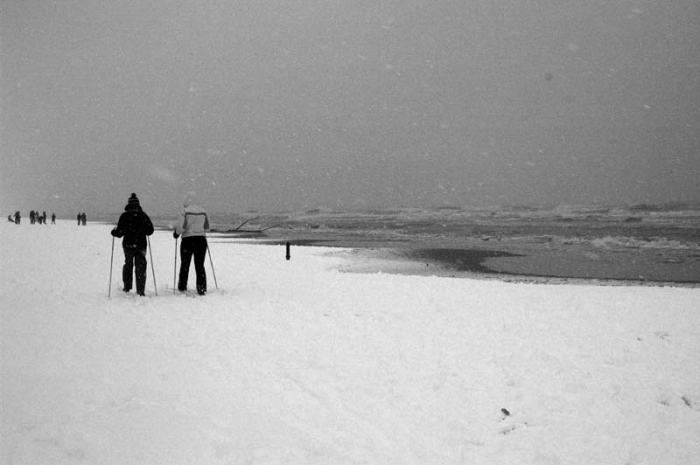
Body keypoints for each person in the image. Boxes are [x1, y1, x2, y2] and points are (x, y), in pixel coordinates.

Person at [111, 193, 154, 296]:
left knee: (128, 265)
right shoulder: (143, 215)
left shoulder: (125, 216)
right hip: (141, 246)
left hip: (128, 246)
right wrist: (143, 230)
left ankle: (127, 287)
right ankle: (140, 290)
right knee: (141, 267)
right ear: (138, 204)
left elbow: (120, 233)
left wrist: (114, 232)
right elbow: (150, 230)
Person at [173, 192, 210, 295]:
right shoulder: (203, 211)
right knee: (200, 265)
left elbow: (182, 227)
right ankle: (201, 288)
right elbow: (207, 228)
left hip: (188, 240)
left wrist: (176, 233)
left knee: (185, 264)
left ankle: (182, 286)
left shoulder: (185, 211)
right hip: (201, 240)